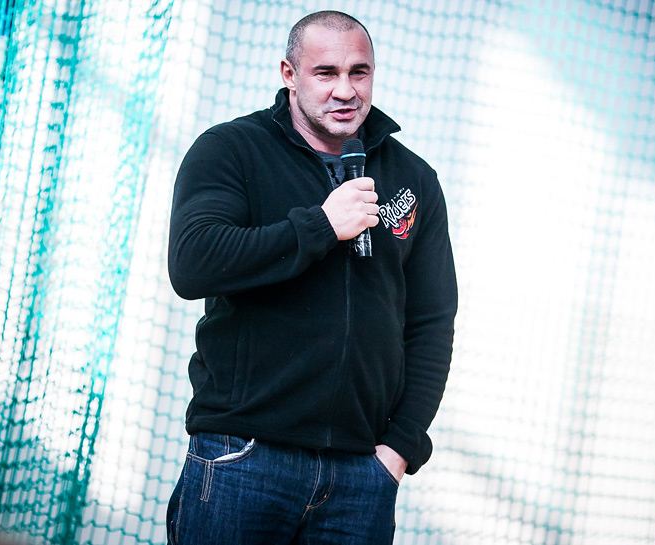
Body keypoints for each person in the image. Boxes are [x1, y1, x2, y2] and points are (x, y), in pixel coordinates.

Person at [165, 10, 457, 545]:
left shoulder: (413, 178)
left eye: (358, 72)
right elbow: (193, 262)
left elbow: (432, 322)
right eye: (326, 73)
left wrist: (399, 449)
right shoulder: (232, 149)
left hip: (361, 477)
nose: (345, 90)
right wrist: (321, 226)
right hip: (243, 456)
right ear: (289, 74)